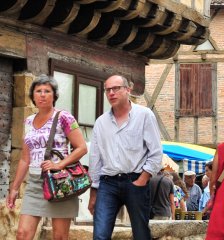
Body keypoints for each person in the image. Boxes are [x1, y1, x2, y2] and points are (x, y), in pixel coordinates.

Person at [6, 75, 88, 239]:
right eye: (38, 91)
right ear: (33, 96)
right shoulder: (28, 121)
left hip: (59, 182)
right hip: (35, 183)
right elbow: (24, 159)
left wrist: (59, 164)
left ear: (54, 95)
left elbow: (82, 148)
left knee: (59, 237)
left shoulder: (64, 117)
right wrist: (14, 189)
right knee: (22, 234)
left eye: (47, 91)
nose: (42, 94)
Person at [89, 75, 163, 240]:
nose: (111, 93)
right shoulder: (101, 122)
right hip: (108, 183)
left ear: (128, 90)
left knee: (141, 234)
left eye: (116, 88)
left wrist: (143, 178)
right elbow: (95, 157)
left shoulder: (145, 115)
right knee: (100, 235)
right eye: (108, 89)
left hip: (135, 180)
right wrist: (94, 191)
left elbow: (156, 152)